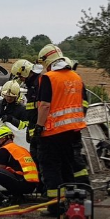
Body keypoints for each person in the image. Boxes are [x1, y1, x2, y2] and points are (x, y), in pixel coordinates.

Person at [34, 44, 90, 201]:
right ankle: (72, 201)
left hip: (52, 133)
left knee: (51, 168)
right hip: (72, 132)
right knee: (68, 167)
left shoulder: (48, 78)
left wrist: (39, 127)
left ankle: (55, 204)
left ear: (47, 61)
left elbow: (44, 106)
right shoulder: (75, 77)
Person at [0, 126, 39, 206]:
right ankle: (17, 197)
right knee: (11, 172)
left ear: (3, 138)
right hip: (32, 185)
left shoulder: (4, 149)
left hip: (22, 182)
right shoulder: (21, 149)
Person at [10, 59, 44, 166]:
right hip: (36, 132)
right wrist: (30, 131)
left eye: (20, 76)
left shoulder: (39, 84)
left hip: (41, 133)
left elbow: (42, 109)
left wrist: (38, 130)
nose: (21, 80)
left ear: (25, 71)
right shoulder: (32, 86)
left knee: (41, 161)